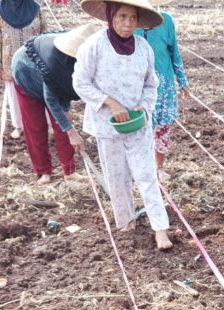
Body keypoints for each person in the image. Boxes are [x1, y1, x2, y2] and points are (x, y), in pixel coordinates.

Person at [74, 0, 173, 250]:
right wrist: (110, 103)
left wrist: (144, 107)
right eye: (122, 17)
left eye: (132, 18)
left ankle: (160, 229)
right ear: (110, 16)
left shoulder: (143, 48)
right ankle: (126, 221)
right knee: (117, 178)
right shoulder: (94, 45)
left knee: (147, 175)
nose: (128, 23)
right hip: (107, 126)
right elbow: (80, 82)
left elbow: (152, 84)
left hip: (138, 124)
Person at [11, 24, 98, 184]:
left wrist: (68, 125)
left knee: (64, 123)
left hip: (55, 79)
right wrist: (72, 133)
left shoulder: (87, 58)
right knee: (36, 126)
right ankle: (43, 171)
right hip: (25, 71)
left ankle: (69, 171)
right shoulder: (54, 63)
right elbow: (51, 99)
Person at [135, 1, 189, 182]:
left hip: (164, 84)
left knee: (162, 127)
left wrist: (182, 81)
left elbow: (175, 52)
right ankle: (141, 167)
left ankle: (158, 167)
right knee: (140, 127)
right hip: (137, 86)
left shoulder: (166, 21)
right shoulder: (130, 21)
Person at [0, 0, 45, 139]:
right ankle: (19, 125)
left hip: (33, 61)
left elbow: (44, 34)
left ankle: (42, 125)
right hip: (10, 61)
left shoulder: (35, 8)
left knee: (37, 93)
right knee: (14, 95)